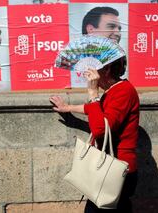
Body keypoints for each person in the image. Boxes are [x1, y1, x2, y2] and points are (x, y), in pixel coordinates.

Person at [50, 56, 139, 212]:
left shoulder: (124, 91)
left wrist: (92, 93)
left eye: (94, 67)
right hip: (109, 167)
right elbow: (96, 110)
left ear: (107, 69)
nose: (89, 72)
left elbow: (100, 130)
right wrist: (68, 107)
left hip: (117, 171)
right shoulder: (114, 90)